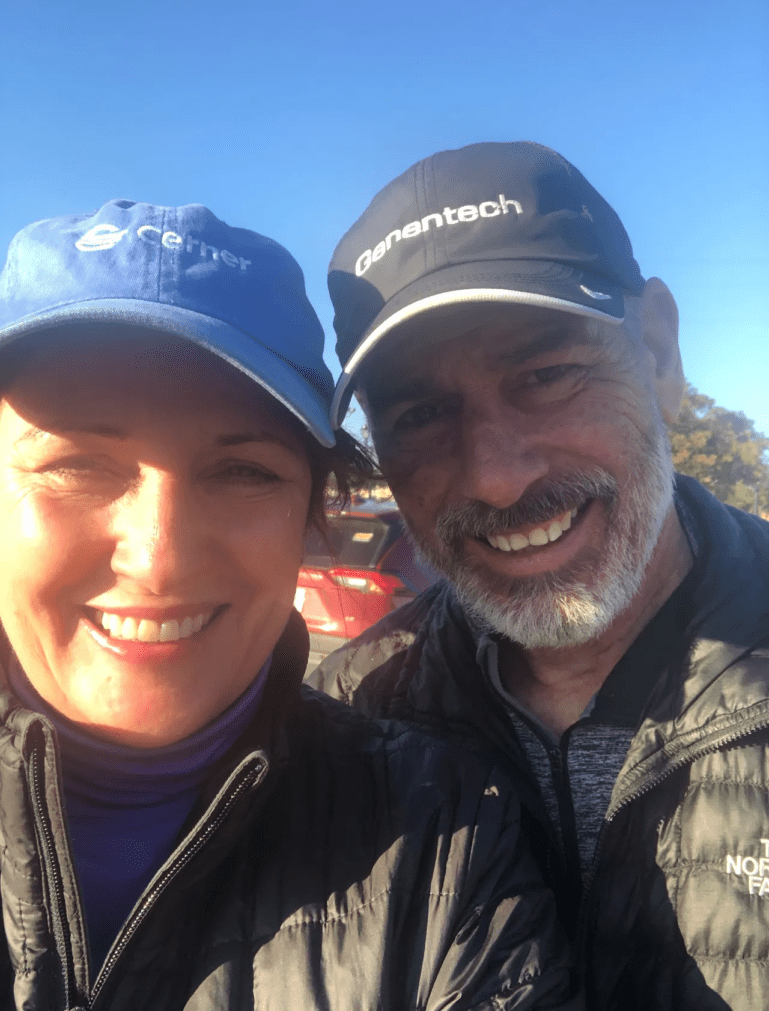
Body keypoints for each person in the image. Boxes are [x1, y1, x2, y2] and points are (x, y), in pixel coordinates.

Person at [0, 199, 582, 1010]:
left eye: (243, 473)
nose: (159, 558)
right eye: (76, 465)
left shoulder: (439, 836)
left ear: (311, 516)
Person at [309, 141, 769, 1011]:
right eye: (420, 412)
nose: (495, 476)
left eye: (546, 374)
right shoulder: (344, 719)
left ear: (660, 353)